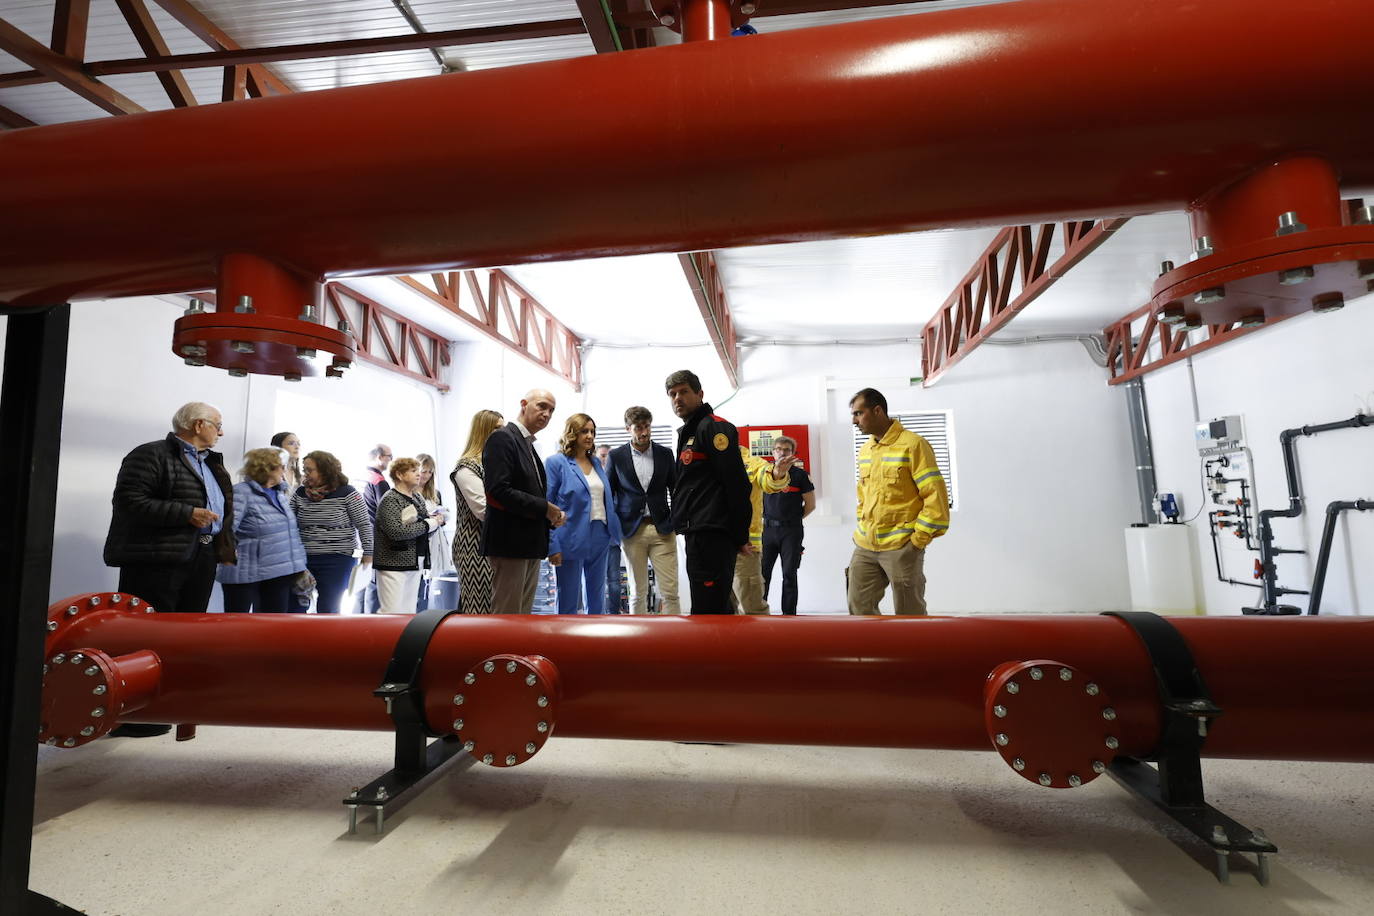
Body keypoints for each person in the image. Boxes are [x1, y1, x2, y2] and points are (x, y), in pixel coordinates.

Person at [102, 402, 237, 737]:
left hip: (199, 557)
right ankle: (140, 715)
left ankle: (175, 707)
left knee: (187, 636)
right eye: (217, 424)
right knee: (150, 636)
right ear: (197, 424)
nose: (221, 431)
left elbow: (221, 508)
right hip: (156, 559)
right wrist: (186, 513)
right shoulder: (150, 455)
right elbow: (130, 501)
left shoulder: (212, 463)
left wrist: (224, 545)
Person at [848, 387, 950, 615]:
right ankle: (871, 651)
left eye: (858, 413)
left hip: (902, 546)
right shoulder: (866, 450)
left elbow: (935, 497)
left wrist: (916, 542)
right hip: (866, 545)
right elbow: (863, 496)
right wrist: (862, 526)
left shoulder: (913, 445)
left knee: (909, 614)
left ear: (877, 411)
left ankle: (914, 651)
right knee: (858, 608)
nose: (855, 421)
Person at [665, 370, 751, 615]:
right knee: (715, 606)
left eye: (683, 392)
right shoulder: (690, 432)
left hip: (712, 533)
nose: (677, 399)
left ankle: (712, 653)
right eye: (672, 394)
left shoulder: (714, 429)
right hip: (698, 532)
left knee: (707, 609)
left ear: (700, 394)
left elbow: (737, 484)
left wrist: (740, 535)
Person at [482, 389, 565, 613]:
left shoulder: (527, 444)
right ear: (523, 404)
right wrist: (544, 508)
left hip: (528, 543)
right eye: (542, 406)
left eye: (551, 410)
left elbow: (529, 492)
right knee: (507, 617)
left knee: (521, 618)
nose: (547, 414)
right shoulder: (502, 438)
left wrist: (548, 516)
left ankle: (514, 650)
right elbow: (497, 490)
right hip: (510, 542)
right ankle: (503, 651)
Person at [607, 406, 680, 615]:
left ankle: (674, 639)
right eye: (638, 428)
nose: (644, 432)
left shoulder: (665, 454)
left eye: (647, 426)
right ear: (628, 429)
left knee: (670, 592)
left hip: (663, 530)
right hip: (631, 531)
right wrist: (615, 528)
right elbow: (608, 495)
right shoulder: (616, 456)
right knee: (637, 592)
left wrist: (675, 520)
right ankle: (638, 643)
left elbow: (676, 490)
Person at [546, 414, 622, 614]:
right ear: (572, 433)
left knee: (597, 599)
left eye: (592, 432)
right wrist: (552, 545)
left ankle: (595, 641)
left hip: (601, 534)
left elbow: (604, 497)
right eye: (584, 431)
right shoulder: (556, 463)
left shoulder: (596, 462)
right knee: (568, 599)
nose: (590, 436)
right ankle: (563, 642)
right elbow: (548, 506)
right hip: (570, 537)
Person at [217, 447, 309, 612]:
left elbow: (288, 533)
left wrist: (299, 565)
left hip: (279, 572)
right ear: (267, 468)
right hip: (245, 574)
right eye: (281, 466)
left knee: (272, 627)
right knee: (238, 627)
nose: (285, 470)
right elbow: (226, 530)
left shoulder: (279, 493)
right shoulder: (241, 493)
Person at [291, 449, 373, 614]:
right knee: (295, 605)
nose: (305, 474)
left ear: (324, 470)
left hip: (337, 559)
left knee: (328, 607)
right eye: (304, 470)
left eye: (310, 470)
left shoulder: (347, 493)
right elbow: (288, 523)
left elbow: (364, 524)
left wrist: (368, 553)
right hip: (304, 559)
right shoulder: (300, 493)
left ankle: (326, 639)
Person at [374, 457, 446, 614]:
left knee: (409, 611)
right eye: (413, 471)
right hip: (393, 563)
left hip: (415, 560)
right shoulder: (390, 499)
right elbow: (396, 532)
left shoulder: (417, 497)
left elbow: (423, 525)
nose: (419, 474)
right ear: (399, 475)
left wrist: (436, 521)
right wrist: (430, 523)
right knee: (392, 612)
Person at [450, 409, 503, 614]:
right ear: (484, 430)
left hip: (495, 545)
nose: (502, 434)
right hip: (474, 547)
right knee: (479, 611)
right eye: (497, 429)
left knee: (497, 610)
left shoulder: (495, 463)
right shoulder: (467, 466)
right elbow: (483, 509)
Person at [760, 435, 815, 615]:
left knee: (789, 575)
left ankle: (789, 616)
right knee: (762, 575)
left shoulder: (800, 476)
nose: (782, 453)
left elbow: (810, 505)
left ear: (793, 453)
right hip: (766, 531)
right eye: (778, 449)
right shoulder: (765, 473)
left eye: (786, 450)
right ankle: (760, 612)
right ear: (772, 452)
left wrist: (793, 520)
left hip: (791, 532)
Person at [352, 443, 392, 614]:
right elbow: (388, 513)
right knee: (374, 588)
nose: (391, 460)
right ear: (379, 457)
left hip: (358, 538)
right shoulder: (379, 482)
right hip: (375, 540)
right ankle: (370, 628)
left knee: (360, 587)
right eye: (389, 456)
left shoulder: (359, 477)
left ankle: (355, 626)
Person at [732, 446, 772, 614]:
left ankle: (761, 640)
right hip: (716, 545)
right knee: (724, 608)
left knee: (751, 605)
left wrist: (777, 473)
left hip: (746, 548)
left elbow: (769, 479)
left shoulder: (752, 463)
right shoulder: (708, 461)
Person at [415, 453, 453, 609]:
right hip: (419, 543)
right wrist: (428, 519)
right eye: (424, 471)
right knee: (419, 587)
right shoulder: (408, 492)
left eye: (430, 472)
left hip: (436, 540)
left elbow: (442, 515)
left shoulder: (435, 493)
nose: (427, 476)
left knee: (434, 583)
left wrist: (441, 518)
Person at [597, 444, 625, 613]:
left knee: (614, 580)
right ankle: (596, 614)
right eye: (602, 456)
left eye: (608, 456)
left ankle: (614, 614)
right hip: (595, 538)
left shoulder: (618, 478)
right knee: (595, 580)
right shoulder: (591, 478)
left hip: (613, 538)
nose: (606, 459)